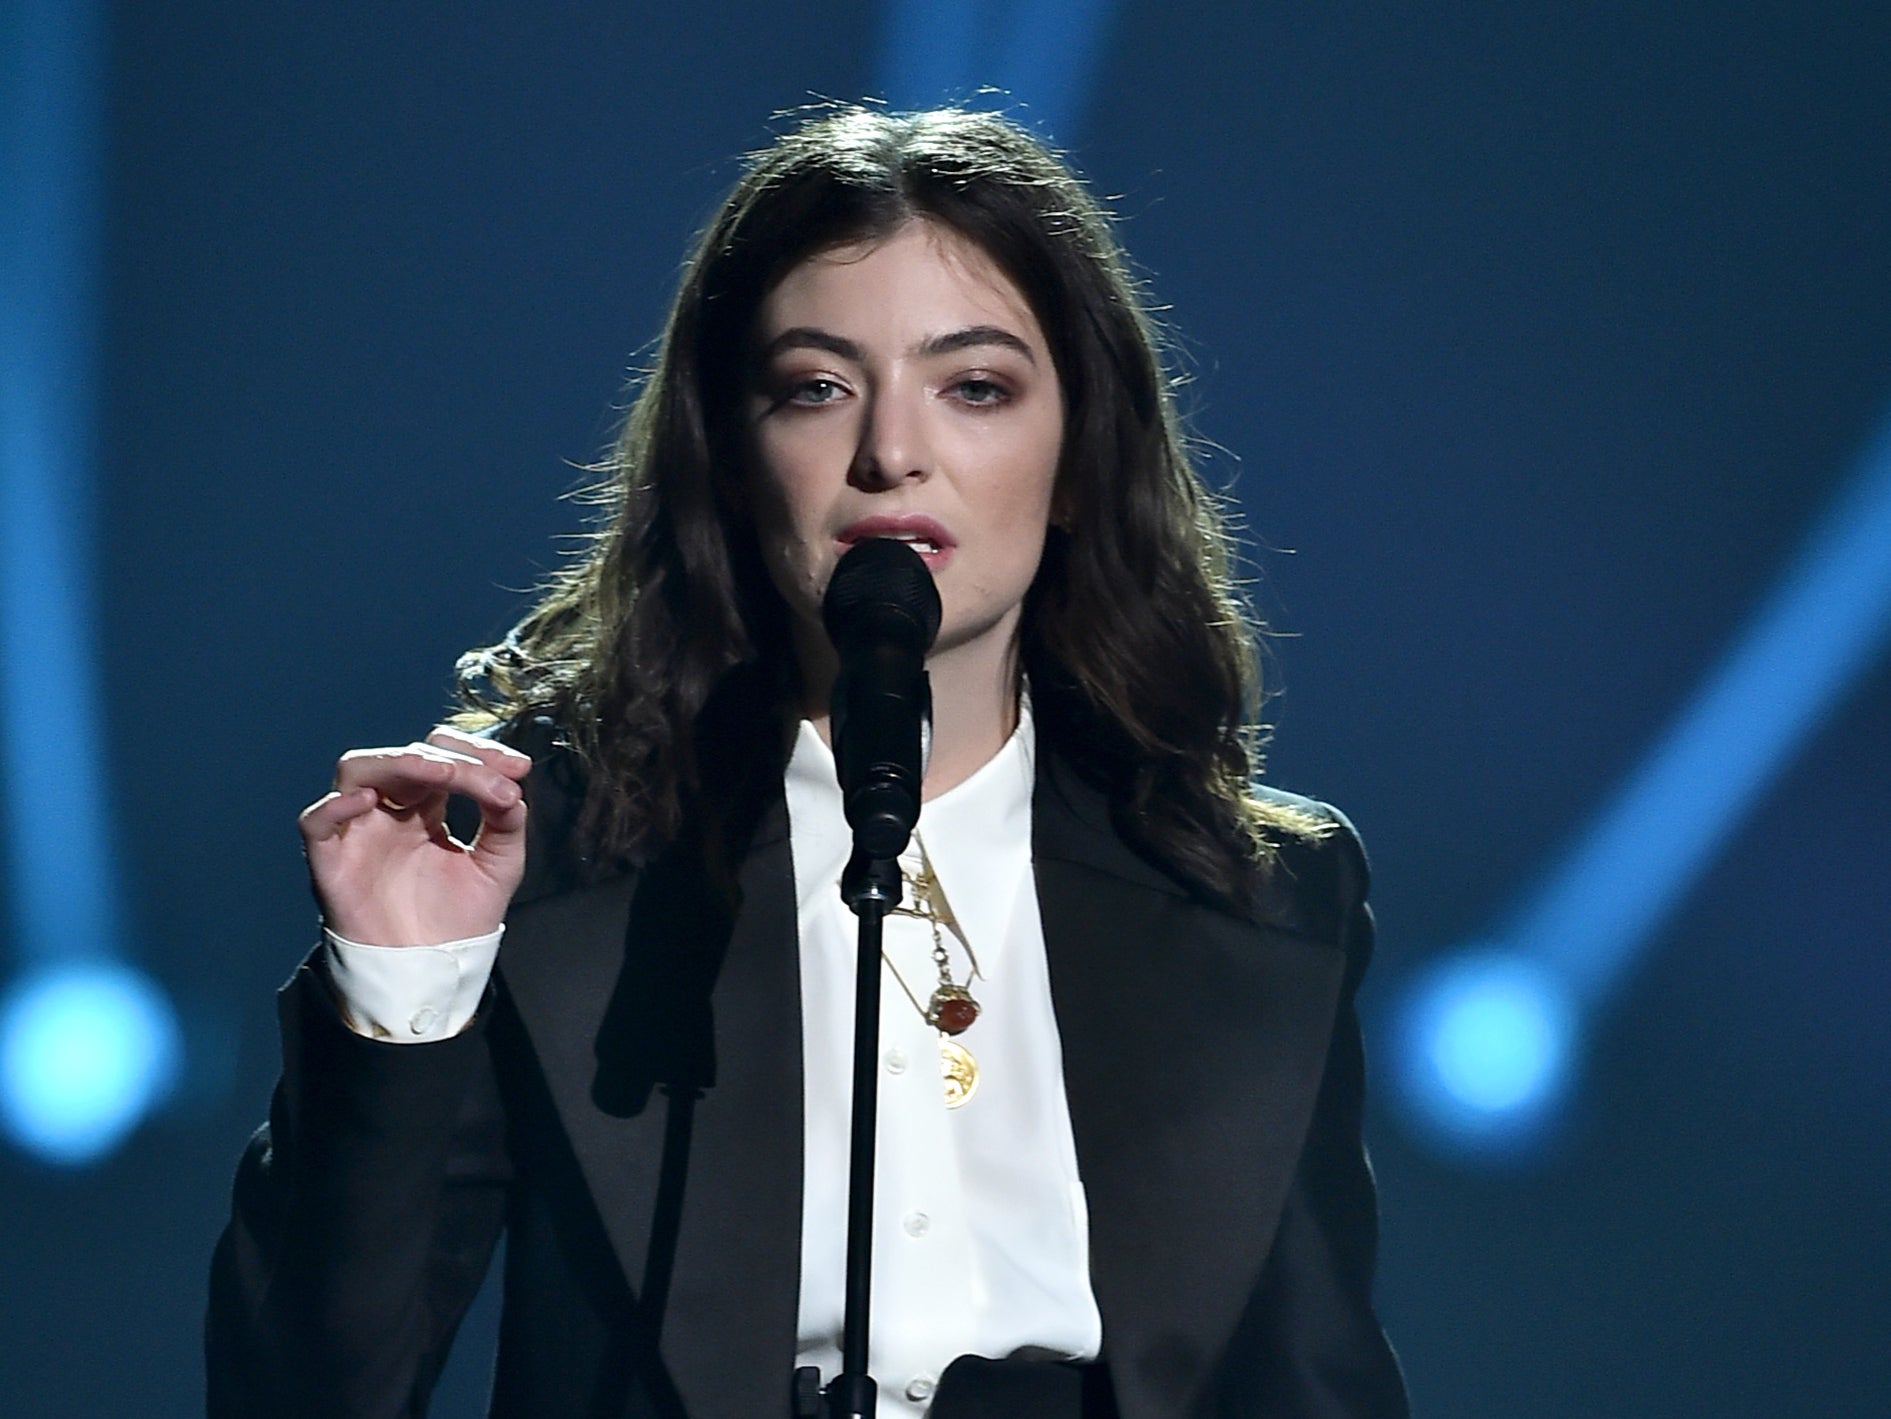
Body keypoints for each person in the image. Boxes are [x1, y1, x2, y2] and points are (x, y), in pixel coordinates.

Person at [207, 105, 1410, 1419]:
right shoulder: (558, 860)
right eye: (818, 388)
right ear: (729, 456)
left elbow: (1315, 1381)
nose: (893, 453)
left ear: (1077, 459)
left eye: (977, 387)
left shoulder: (1262, 891)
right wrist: (403, 988)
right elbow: (307, 1389)